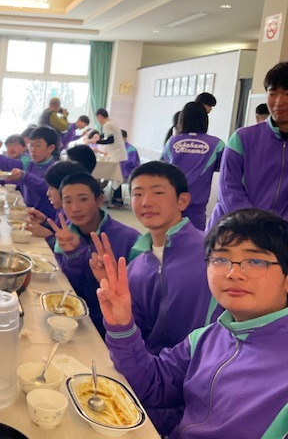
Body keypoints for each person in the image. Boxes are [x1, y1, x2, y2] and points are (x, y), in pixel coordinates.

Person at [99, 208, 288, 439]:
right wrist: (122, 327)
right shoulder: (208, 337)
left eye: (256, 261)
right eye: (221, 259)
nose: (233, 273)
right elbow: (153, 384)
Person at [49, 172, 139, 336]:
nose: (75, 208)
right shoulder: (65, 233)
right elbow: (68, 286)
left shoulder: (129, 239)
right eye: (68, 201)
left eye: (83, 199)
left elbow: (137, 298)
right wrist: (74, 255)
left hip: (111, 327)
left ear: (99, 200)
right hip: (72, 318)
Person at [208, 61, 288, 228]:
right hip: (232, 230)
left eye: (287, 94)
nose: (279, 101)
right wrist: (254, 227)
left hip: (277, 235)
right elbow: (229, 190)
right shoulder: (242, 138)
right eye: (272, 93)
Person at [162, 102, 225, 229]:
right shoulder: (216, 144)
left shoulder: (172, 142)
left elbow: (162, 169)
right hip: (196, 207)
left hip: (171, 201)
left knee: (168, 237)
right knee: (195, 239)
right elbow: (227, 167)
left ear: (182, 120)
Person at [0, 126, 59, 218]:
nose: (33, 150)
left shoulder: (56, 169)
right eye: (31, 145)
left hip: (44, 218)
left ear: (50, 148)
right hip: (28, 213)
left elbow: (45, 188)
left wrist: (24, 176)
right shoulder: (31, 164)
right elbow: (8, 164)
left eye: (38, 145)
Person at [26, 161, 89, 249]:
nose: (48, 193)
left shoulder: (79, 218)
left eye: (51, 188)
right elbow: (60, 231)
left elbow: (76, 251)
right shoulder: (62, 211)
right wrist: (44, 222)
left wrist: (49, 236)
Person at [110, 129, 141, 208]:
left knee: (116, 176)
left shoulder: (131, 149)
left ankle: (118, 200)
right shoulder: (120, 148)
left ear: (125, 138)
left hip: (129, 171)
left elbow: (132, 163)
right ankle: (112, 197)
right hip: (121, 169)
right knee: (112, 175)